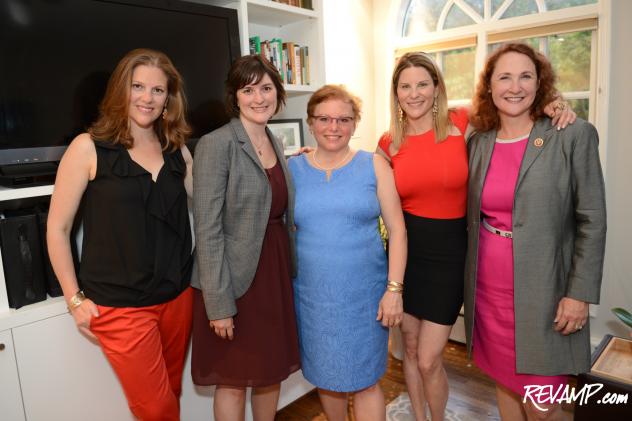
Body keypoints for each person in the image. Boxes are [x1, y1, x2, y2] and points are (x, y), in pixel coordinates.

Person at [376, 51, 576, 421]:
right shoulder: (389, 143)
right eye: (405, 86)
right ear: (396, 93)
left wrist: (555, 102)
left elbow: (512, 99)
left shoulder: (462, 121)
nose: (414, 93)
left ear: (437, 88)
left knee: (431, 356)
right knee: (412, 348)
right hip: (407, 252)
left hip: (453, 254)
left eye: (423, 84)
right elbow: (369, 187)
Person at [47, 48, 194, 421]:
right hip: (122, 305)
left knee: (171, 395)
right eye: (138, 86)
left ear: (168, 99)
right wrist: (74, 299)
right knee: (157, 409)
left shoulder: (177, 149)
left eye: (158, 90)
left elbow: (214, 200)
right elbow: (58, 228)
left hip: (177, 297)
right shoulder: (87, 148)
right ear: (120, 91)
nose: (147, 98)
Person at [464, 42, 606, 420]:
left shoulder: (571, 136)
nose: (515, 87)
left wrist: (579, 294)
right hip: (488, 293)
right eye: (504, 77)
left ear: (540, 83)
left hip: (547, 294)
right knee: (506, 386)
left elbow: (592, 219)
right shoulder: (478, 141)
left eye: (526, 76)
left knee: (545, 404)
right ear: (489, 87)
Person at [190, 54, 300, 421]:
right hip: (233, 282)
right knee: (233, 380)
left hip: (273, 275)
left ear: (277, 93)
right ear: (234, 96)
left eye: (266, 88)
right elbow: (207, 228)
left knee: (270, 374)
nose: (259, 98)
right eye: (248, 89)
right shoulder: (216, 144)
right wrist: (218, 305)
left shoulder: (275, 141)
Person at [289, 84, 407, 421]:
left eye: (343, 119)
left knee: (366, 381)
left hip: (364, 300)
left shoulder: (374, 165)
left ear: (355, 124)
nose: (334, 127)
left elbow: (398, 231)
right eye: (324, 119)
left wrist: (394, 291)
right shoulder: (292, 170)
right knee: (327, 381)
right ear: (310, 122)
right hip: (312, 300)